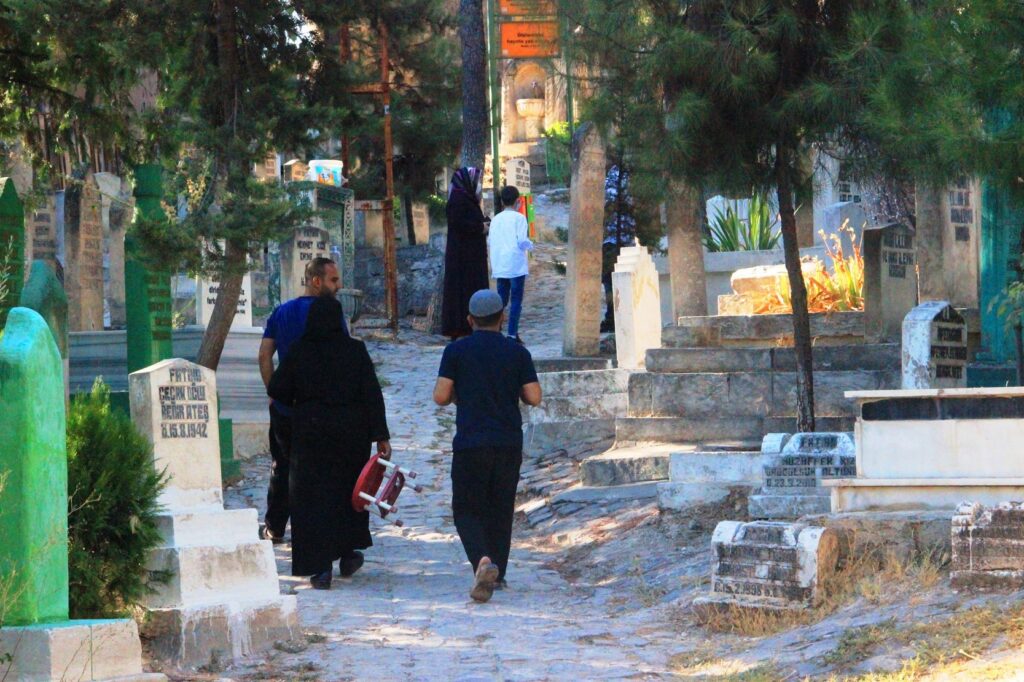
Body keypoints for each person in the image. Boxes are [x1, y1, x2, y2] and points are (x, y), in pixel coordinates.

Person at [267, 296, 391, 590]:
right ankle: (348, 553)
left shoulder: (299, 352)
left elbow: (277, 389)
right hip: (352, 433)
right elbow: (372, 394)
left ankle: (320, 568)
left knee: (312, 499)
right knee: (348, 493)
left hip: (311, 434)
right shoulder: (355, 350)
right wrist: (381, 435)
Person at [433, 289, 542, 603]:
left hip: (470, 441)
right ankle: (499, 571)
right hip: (507, 441)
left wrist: (460, 395)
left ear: (469, 320)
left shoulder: (457, 351)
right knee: (500, 506)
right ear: (502, 317)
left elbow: (440, 396)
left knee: (467, 508)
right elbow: (534, 396)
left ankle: (482, 560)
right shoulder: (517, 352)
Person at [257, 257, 347, 544]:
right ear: (317, 281)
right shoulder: (331, 314)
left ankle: (275, 526)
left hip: (286, 406)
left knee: (282, 467)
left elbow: (264, 354)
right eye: (333, 280)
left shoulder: (281, 312)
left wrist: (273, 391)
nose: (339, 286)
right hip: (322, 406)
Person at [441, 167, 490, 341]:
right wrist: (480, 228)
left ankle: (473, 325)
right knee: (463, 292)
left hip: (470, 257)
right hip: (463, 259)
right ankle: (461, 327)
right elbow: (460, 224)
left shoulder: (466, 198)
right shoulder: (458, 200)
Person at [487, 185, 534, 343]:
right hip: (515, 266)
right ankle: (512, 333)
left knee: (501, 300)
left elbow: (491, 241)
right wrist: (530, 245)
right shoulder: (519, 218)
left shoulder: (495, 219)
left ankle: (495, 330)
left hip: (500, 265)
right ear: (518, 201)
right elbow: (521, 241)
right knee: (516, 301)